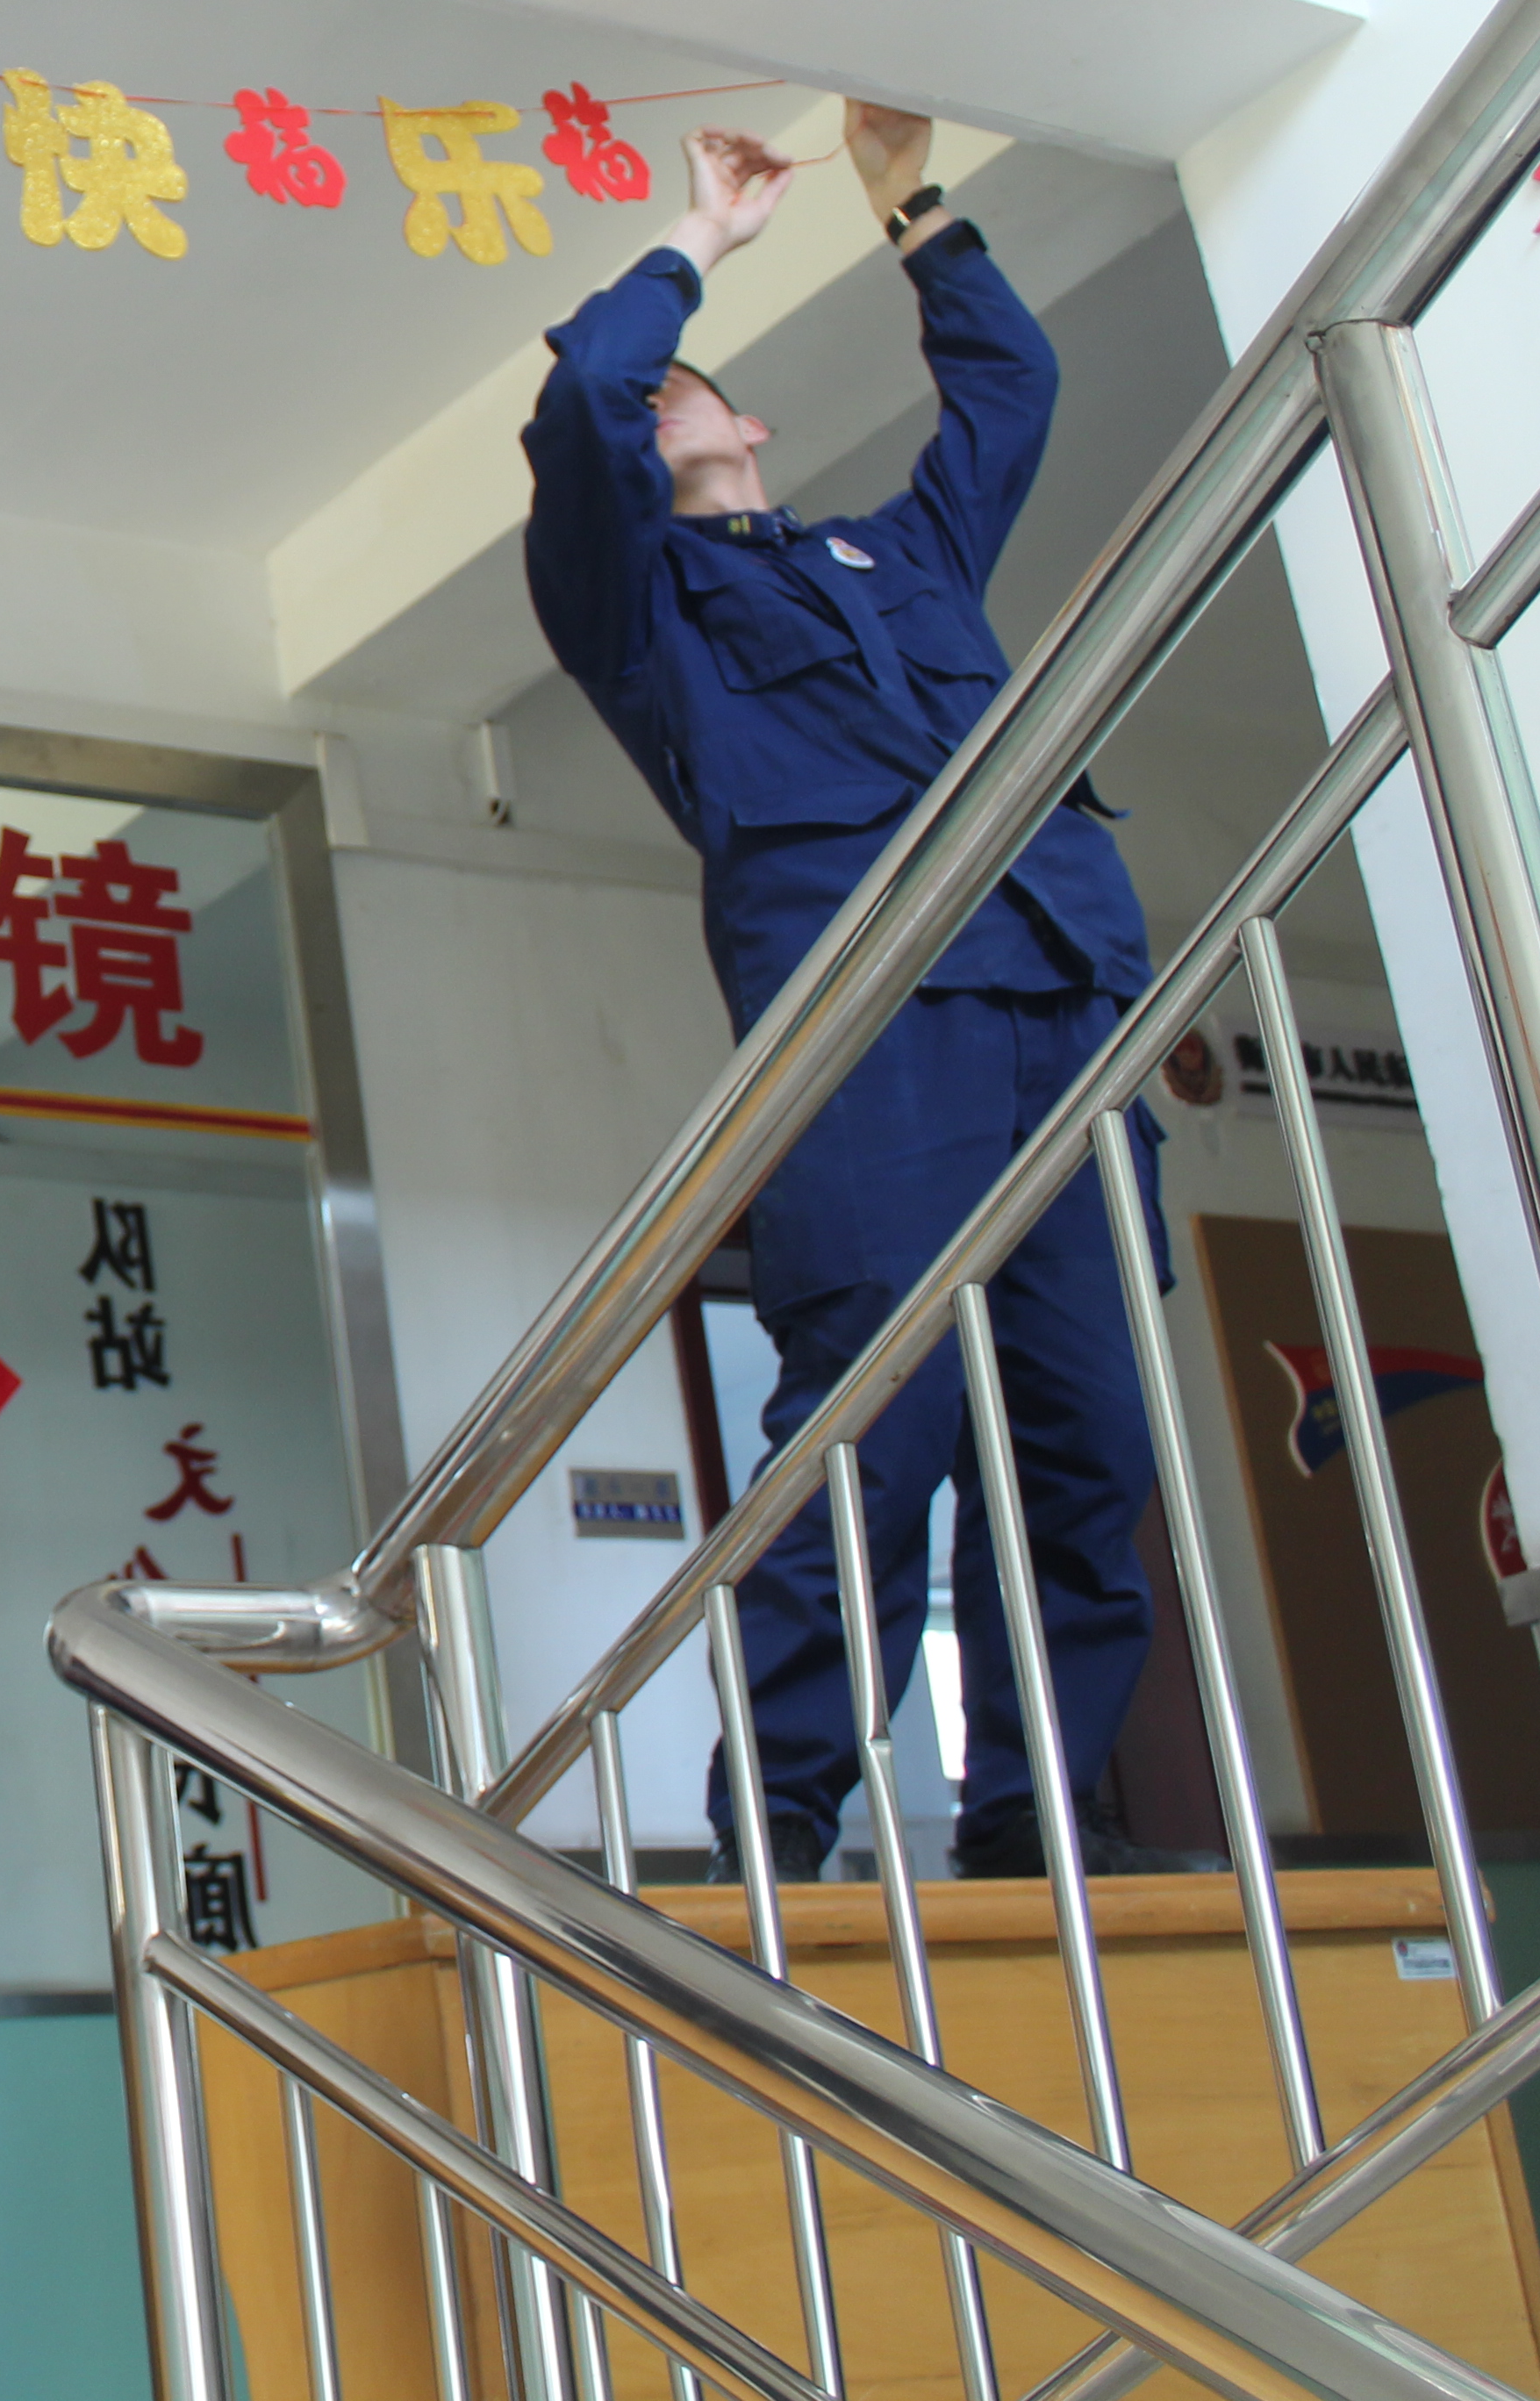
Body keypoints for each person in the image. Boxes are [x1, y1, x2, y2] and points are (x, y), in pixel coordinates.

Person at [520, 107, 1176, 1884]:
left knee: (1086, 1435)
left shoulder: (907, 556)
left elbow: (1011, 391)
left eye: (689, 390)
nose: (660, 404)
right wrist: (700, 243)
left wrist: (909, 209)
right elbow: (580, 402)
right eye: (651, 402)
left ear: (753, 427)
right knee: (869, 1431)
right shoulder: (636, 610)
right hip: (872, 1042)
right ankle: (781, 1821)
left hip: (1063, 1004)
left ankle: (1035, 1811)